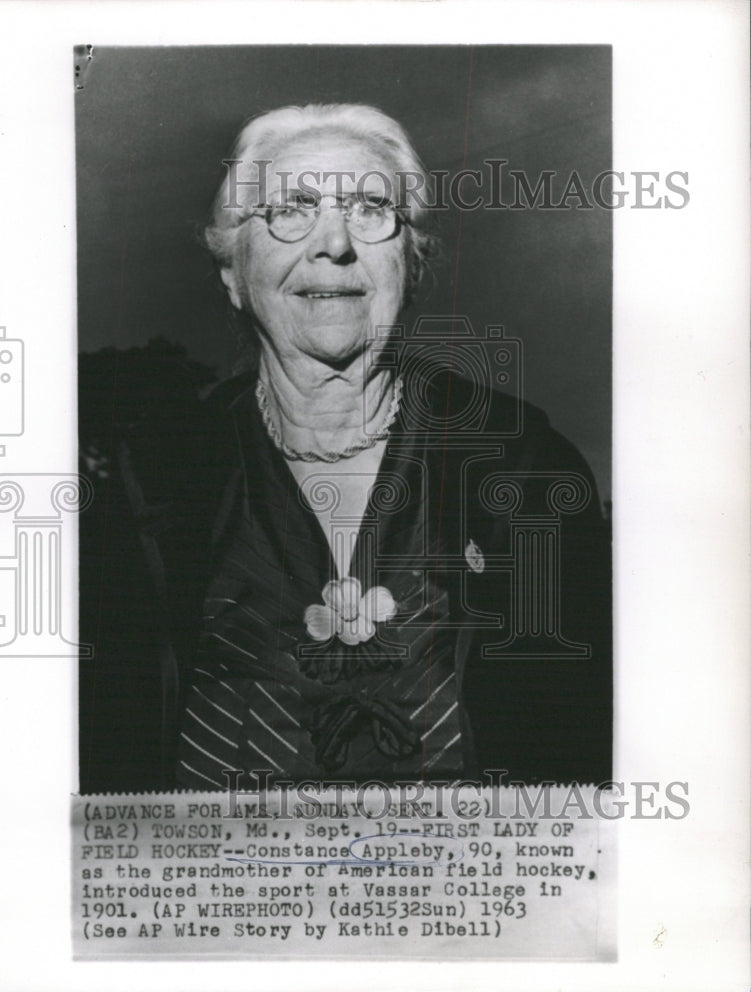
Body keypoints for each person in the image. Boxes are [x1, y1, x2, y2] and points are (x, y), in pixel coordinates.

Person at [89, 103, 611, 792]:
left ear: (412, 263)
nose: (332, 243)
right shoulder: (148, 480)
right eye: (291, 209)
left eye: (369, 208)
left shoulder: (525, 469)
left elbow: (577, 759)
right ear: (231, 269)